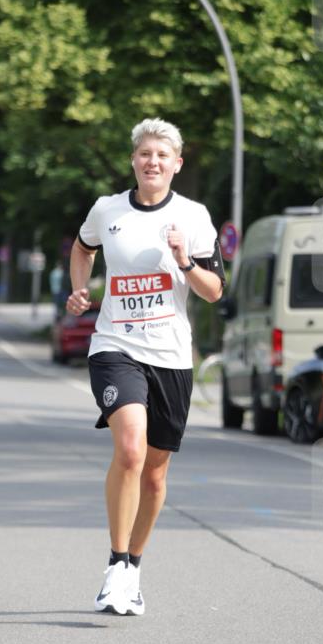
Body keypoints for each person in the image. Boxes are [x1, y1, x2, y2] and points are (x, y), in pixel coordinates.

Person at [68, 117, 226, 616]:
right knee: (131, 448)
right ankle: (116, 565)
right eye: (144, 154)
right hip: (115, 347)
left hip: (172, 356)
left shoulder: (194, 216)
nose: (152, 162)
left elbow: (214, 291)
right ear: (133, 160)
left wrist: (184, 260)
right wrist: (80, 288)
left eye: (162, 155)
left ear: (177, 164)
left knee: (155, 475)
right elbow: (82, 248)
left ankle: (134, 567)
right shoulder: (107, 210)